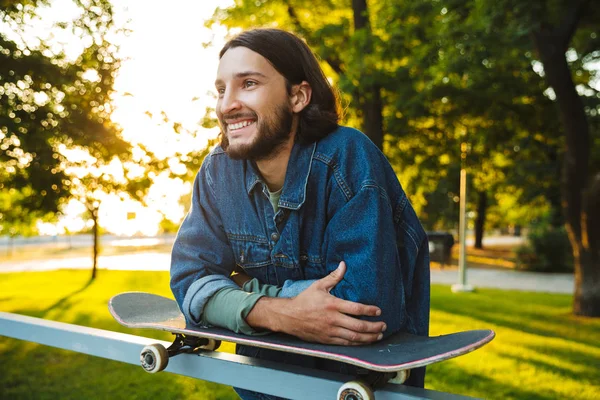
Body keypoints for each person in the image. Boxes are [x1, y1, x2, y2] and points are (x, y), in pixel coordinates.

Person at [170, 28, 430, 400]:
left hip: (360, 388)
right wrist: (280, 311)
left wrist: (240, 289)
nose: (227, 105)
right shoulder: (217, 172)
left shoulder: (346, 157)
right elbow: (189, 282)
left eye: (248, 83)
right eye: (221, 89)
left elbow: (364, 310)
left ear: (298, 96)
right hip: (263, 390)